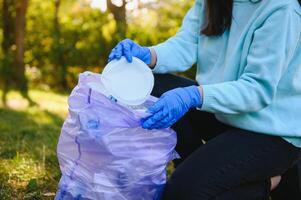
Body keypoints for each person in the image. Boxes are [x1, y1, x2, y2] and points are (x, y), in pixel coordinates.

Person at [108, 0, 301, 199]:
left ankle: (265, 183)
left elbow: (257, 90)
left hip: (271, 132)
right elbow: (187, 44)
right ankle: (197, 170)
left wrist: (194, 95)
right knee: (154, 85)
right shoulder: (211, 2)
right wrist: (148, 55)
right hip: (225, 114)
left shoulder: (282, 8)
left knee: (182, 191)